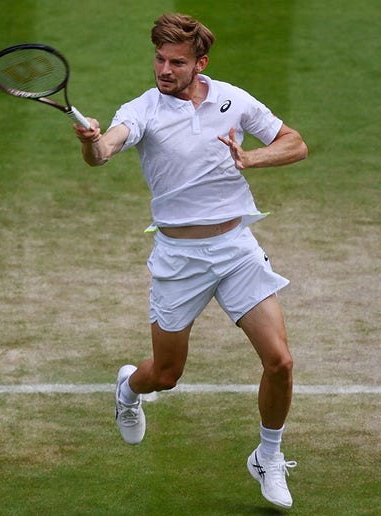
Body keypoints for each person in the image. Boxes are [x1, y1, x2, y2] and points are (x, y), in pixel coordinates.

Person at [73, 13, 308, 509]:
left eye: (176, 62)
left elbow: (295, 143)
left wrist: (252, 159)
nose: (164, 69)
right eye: (159, 59)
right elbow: (107, 149)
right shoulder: (142, 109)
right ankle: (128, 388)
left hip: (236, 248)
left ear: (200, 64)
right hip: (179, 258)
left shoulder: (231, 98)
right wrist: (93, 142)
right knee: (165, 374)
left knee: (280, 361)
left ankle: (267, 455)